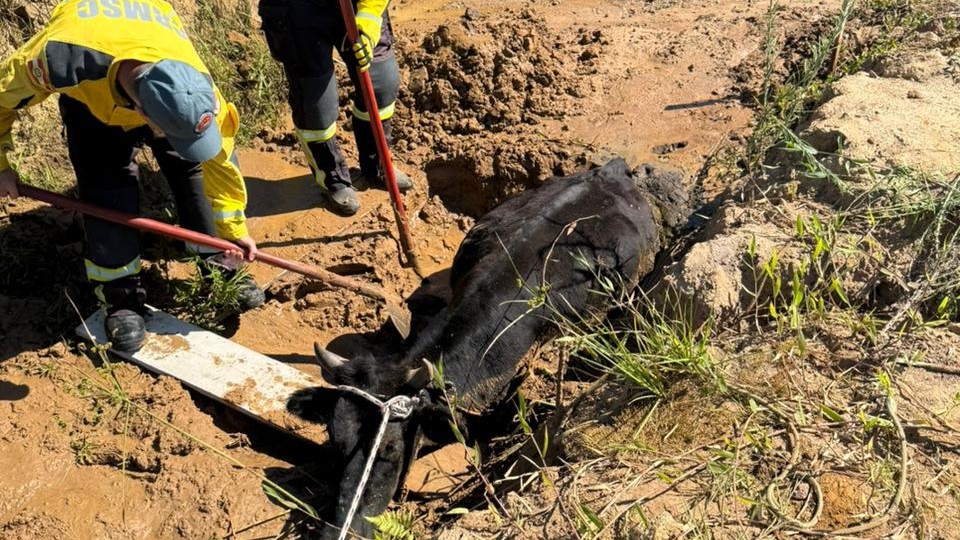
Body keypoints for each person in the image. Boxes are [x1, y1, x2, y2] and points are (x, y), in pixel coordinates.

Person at [0, 0, 265, 353]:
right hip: (91, 99)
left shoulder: (194, 83)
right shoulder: (59, 57)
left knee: (193, 172)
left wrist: (233, 232)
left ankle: (218, 262)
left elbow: (220, 159)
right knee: (108, 192)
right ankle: (122, 298)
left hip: (149, 61)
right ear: (141, 113)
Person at [258, 0, 412, 216]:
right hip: (297, 10)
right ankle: (332, 179)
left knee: (381, 84)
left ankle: (377, 164)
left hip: (355, 4)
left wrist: (368, 18)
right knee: (316, 106)